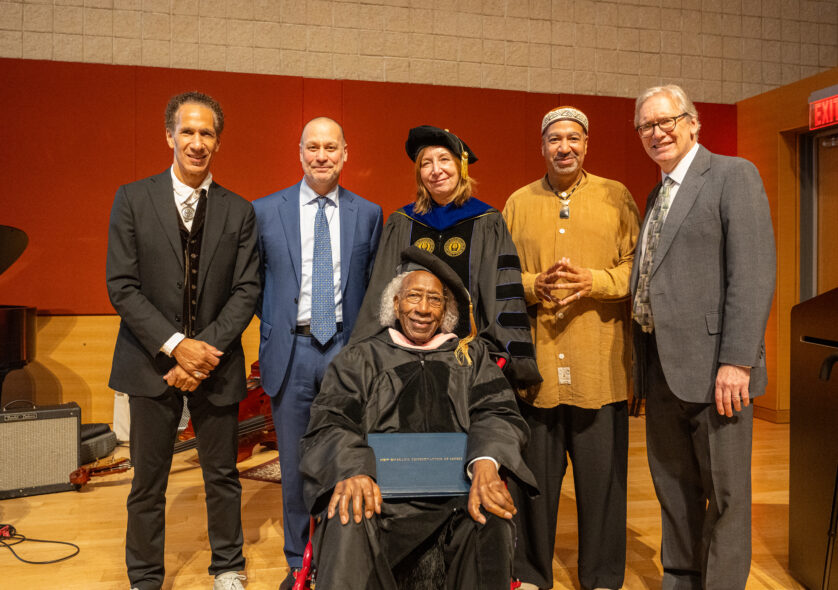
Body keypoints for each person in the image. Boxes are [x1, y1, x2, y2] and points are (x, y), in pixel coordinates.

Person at [299, 246, 538, 590]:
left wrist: (487, 462)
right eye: (413, 297)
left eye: (434, 300)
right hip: (378, 499)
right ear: (395, 304)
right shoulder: (360, 358)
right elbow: (331, 420)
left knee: (493, 515)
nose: (423, 309)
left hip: (457, 497)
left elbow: (497, 411)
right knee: (347, 510)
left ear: (446, 311)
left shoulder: (469, 358)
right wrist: (352, 468)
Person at [106, 91, 260, 590]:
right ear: (169, 136)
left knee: (222, 476)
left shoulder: (240, 211)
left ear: (218, 141)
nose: (197, 142)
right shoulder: (132, 198)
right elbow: (121, 286)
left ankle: (228, 567)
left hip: (217, 364)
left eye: (207, 133)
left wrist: (202, 353)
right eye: (188, 132)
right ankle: (145, 578)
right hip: (148, 363)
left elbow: (246, 289)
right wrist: (175, 345)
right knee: (147, 483)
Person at [631, 85, 776, 589]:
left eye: (667, 120)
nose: (657, 132)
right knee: (675, 486)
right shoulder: (656, 193)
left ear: (694, 123)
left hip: (718, 369)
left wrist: (737, 361)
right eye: (646, 125)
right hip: (661, 367)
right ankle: (681, 576)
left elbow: (753, 274)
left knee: (726, 492)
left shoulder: (733, 175)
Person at [502, 106, 640, 590]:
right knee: (534, 483)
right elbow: (498, 278)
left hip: (598, 366)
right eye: (555, 139)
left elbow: (637, 270)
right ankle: (531, 574)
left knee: (603, 485)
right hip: (534, 369)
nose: (565, 147)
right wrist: (533, 283)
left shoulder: (616, 197)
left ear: (587, 145)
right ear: (542, 146)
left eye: (574, 139)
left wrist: (595, 281)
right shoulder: (517, 203)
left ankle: (601, 577)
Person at [252, 116, 383, 590]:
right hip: (291, 352)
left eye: (331, 147)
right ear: (299, 152)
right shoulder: (265, 211)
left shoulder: (368, 213)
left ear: (346, 153)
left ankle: (337, 552)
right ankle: (297, 561)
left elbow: (370, 290)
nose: (322, 155)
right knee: (293, 466)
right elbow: (252, 286)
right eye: (313, 147)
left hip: (346, 352)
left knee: (346, 458)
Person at [349, 125, 540, 390]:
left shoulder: (487, 222)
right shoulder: (401, 223)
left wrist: (499, 357)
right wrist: (365, 355)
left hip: (467, 359)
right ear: (419, 174)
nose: (436, 170)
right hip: (405, 360)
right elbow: (380, 295)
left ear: (461, 167)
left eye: (444, 160)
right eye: (426, 163)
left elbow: (501, 297)